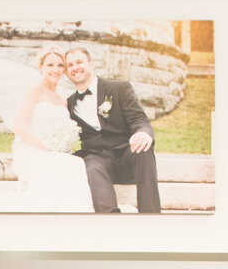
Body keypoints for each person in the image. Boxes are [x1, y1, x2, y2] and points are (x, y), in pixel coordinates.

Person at [0, 48, 93, 213]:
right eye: (50, 65)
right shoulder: (34, 90)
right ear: (41, 67)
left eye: (60, 65)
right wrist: (45, 146)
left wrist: (62, 144)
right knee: (69, 164)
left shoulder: (62, 98)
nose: (55, 69)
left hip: (55, 151)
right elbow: (20, 125)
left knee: (75, 163)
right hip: (33, 150)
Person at [64, 47, 162, 213]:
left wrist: (143, 132)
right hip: (97, 158)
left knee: (144, 148)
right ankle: (110, 218)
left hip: (125, 154)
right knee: (91, 167)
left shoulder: (119, 88)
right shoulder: (69, 104)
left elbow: (139, 119)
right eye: (70, 65)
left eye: (79, 62)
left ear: (91, 64)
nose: (75, 67)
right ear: (66, 72)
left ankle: (151, 215)